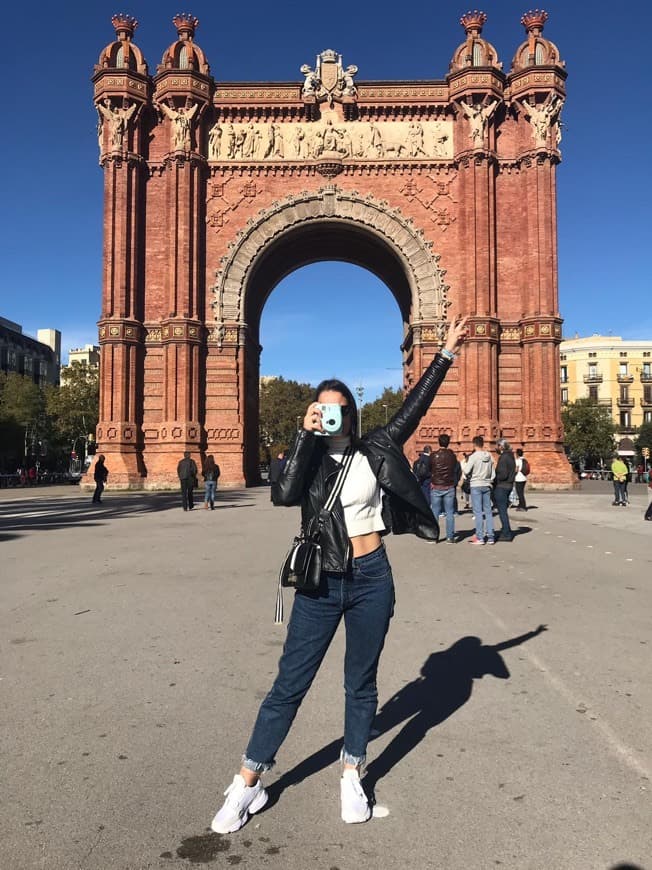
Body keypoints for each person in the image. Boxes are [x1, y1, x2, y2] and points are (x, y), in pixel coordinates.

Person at [210, 317, 469, 834]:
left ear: (351, 411)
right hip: (322, 581)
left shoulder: (375, 447)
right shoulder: (306, 459)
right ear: (314, 413)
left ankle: (352, 772)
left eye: (339, 409)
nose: (332, 417)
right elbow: (283, 494)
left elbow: (413, 409)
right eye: (322, 410)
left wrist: (445, 354)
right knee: (290, 684)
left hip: (373, 574)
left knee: (361, 683)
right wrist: (303, 436)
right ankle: (247, 782)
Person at [461, 436, 495, 545]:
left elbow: (466, 471)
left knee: (478, 512)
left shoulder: (474, 457)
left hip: (476, 484)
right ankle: (491, 537)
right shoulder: (489, 456)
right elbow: (493, 472)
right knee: (488, 511)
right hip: (487, 484)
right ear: (483, 444)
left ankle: (480, 537)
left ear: (474, 444)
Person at [429, 434, 458, 543]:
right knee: (449, 512)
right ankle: (450, 537)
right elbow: (455, 468)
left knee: (435, 511)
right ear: (448, 442)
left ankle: (433, 537)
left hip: (436, 485)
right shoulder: (452, 456)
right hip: (449, 486)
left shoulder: (433, 455)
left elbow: (429, 468)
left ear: (439, 442)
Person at [493, 439, 517, 541]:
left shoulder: (504, 458)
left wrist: (495, 477)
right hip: (509, 485)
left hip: (502, 486)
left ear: (501, 446)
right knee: (503, 510)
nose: (496, 448)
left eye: (497, 446)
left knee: (502, 511)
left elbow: (502, 474)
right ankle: (505, 530)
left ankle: (506, 533)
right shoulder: (511, 456)